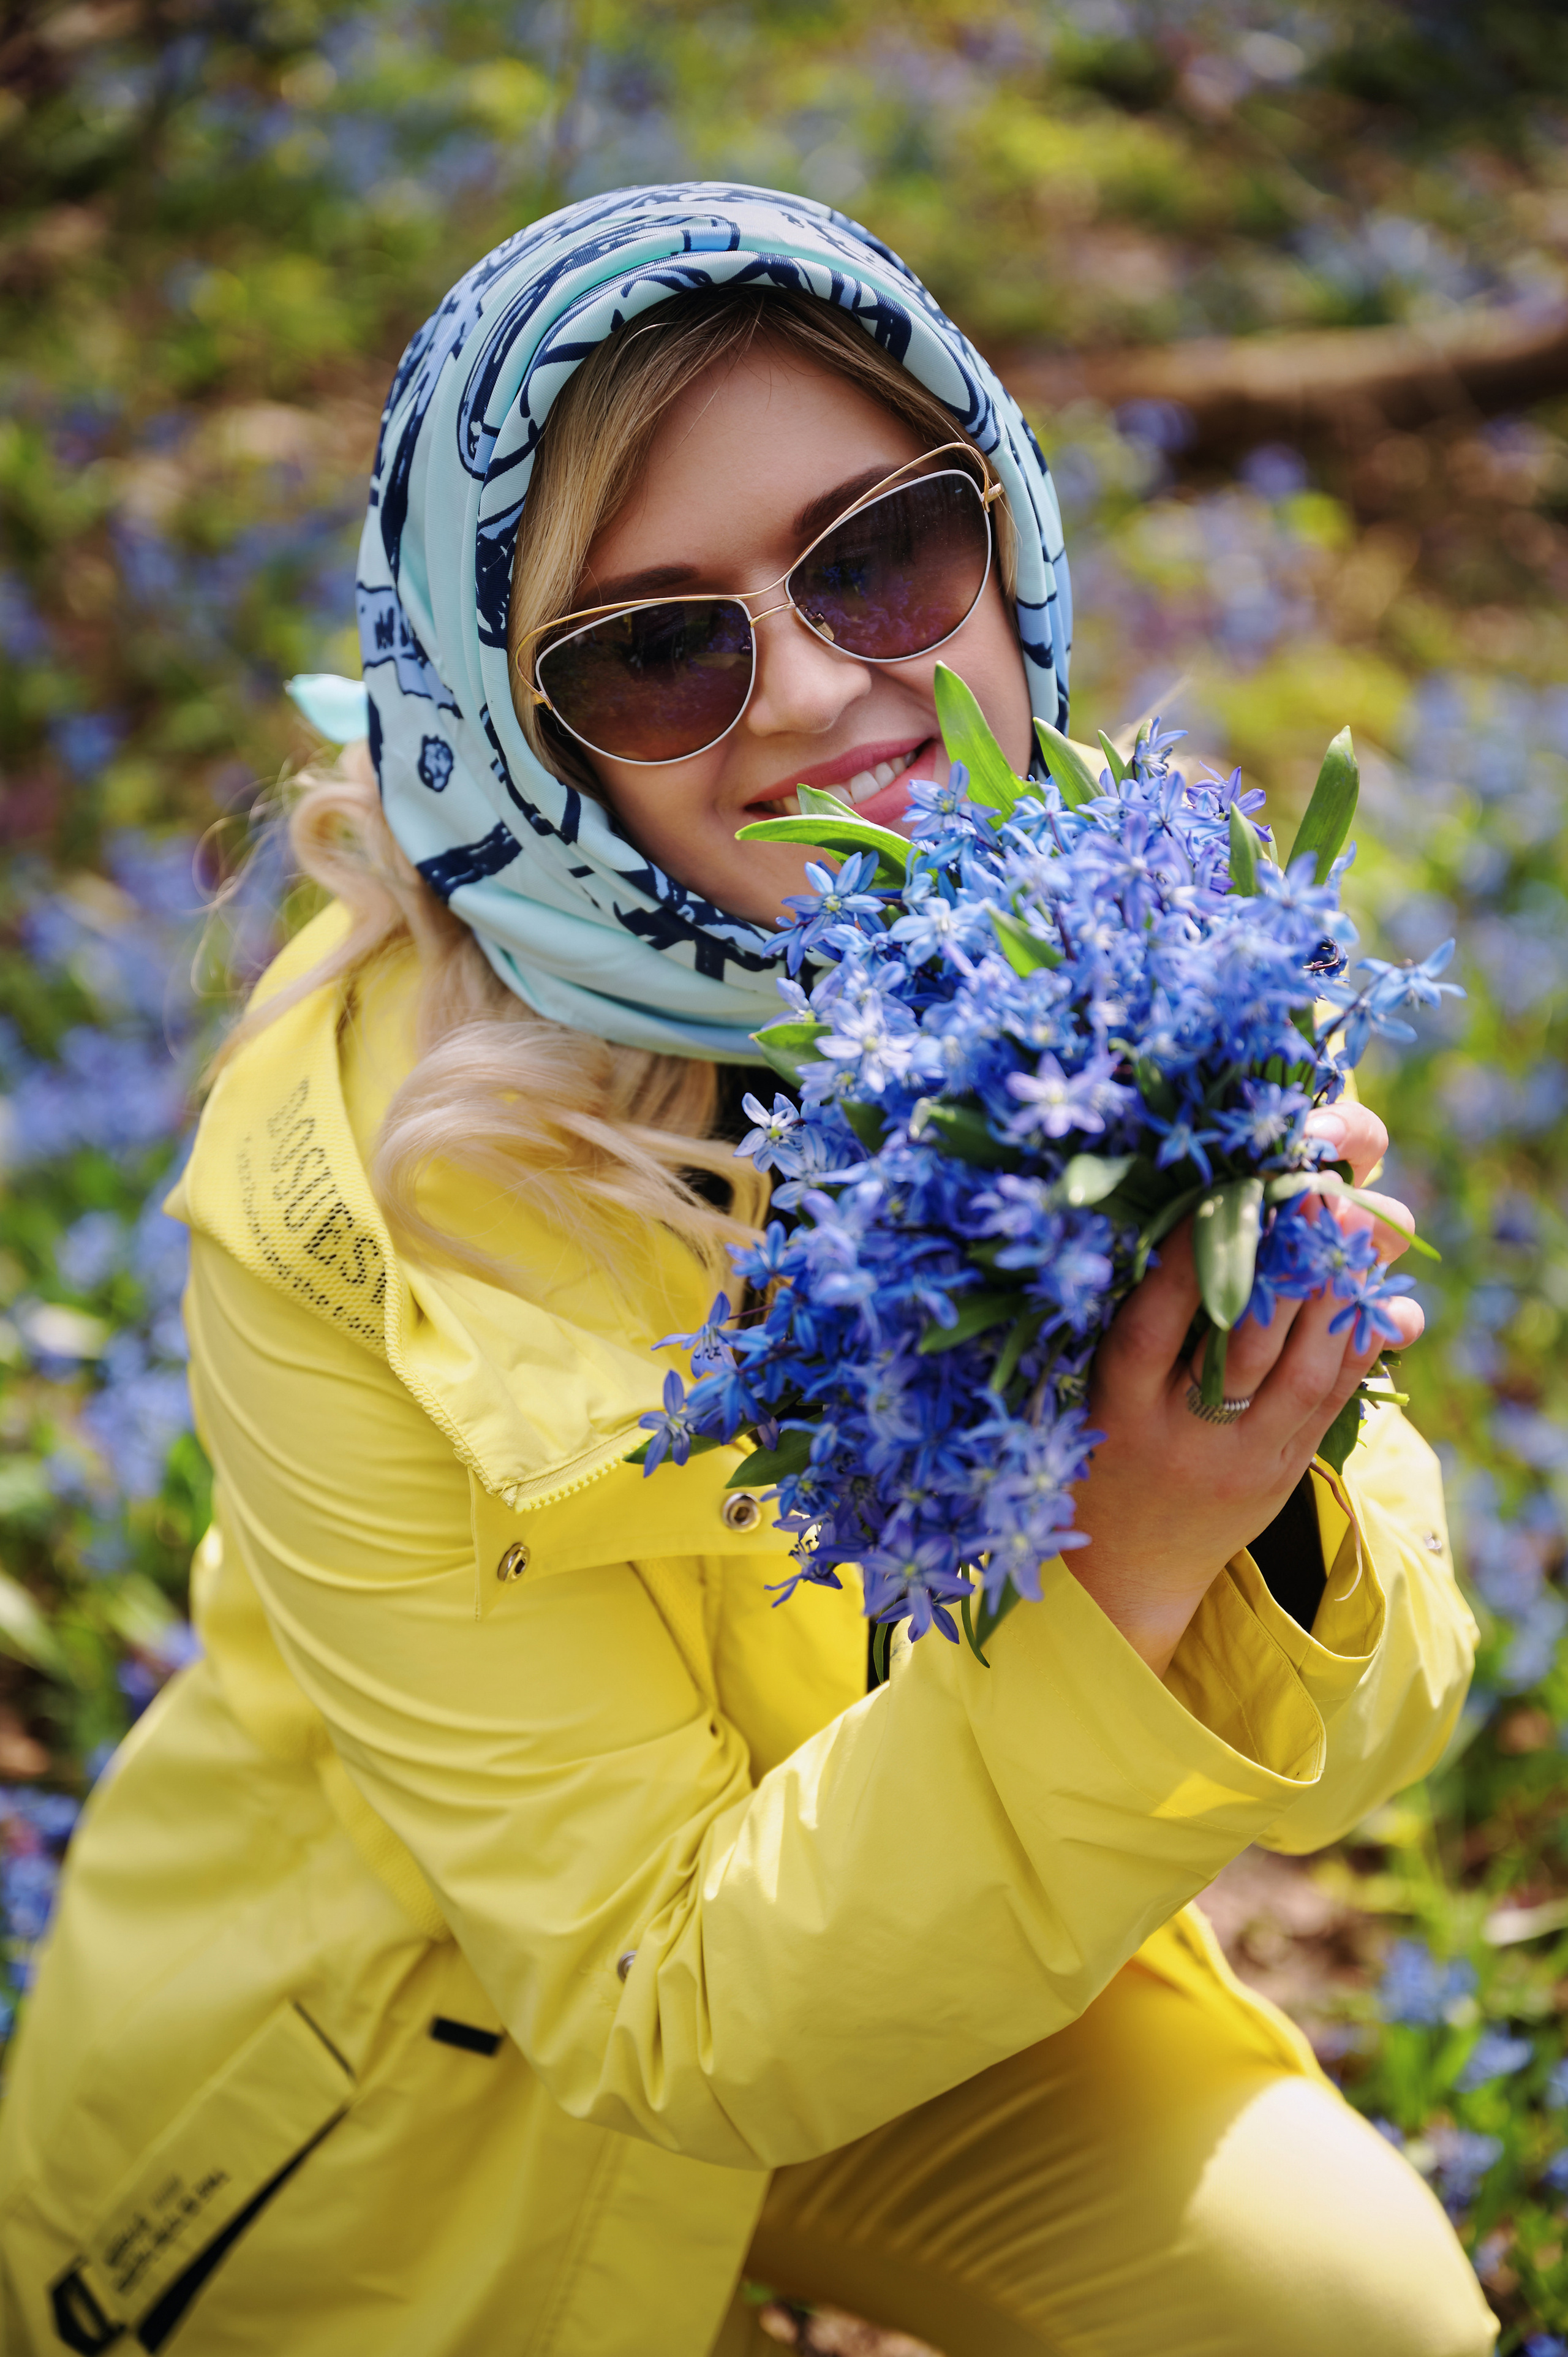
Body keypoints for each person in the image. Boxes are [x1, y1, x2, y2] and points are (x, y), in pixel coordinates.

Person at [0, 185, 1495, 2357]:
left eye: (877, 550)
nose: (816, 686)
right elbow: (652, 1997)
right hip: (440, 2071)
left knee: (1362, 2328)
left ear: (997, 525)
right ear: (525, 731)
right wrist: (1117, 1581)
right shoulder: (345, 1194)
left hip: (932, 1899)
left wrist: (1259, 1494)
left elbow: (1374, 1715)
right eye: (658, 647)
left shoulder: (1125, 951)